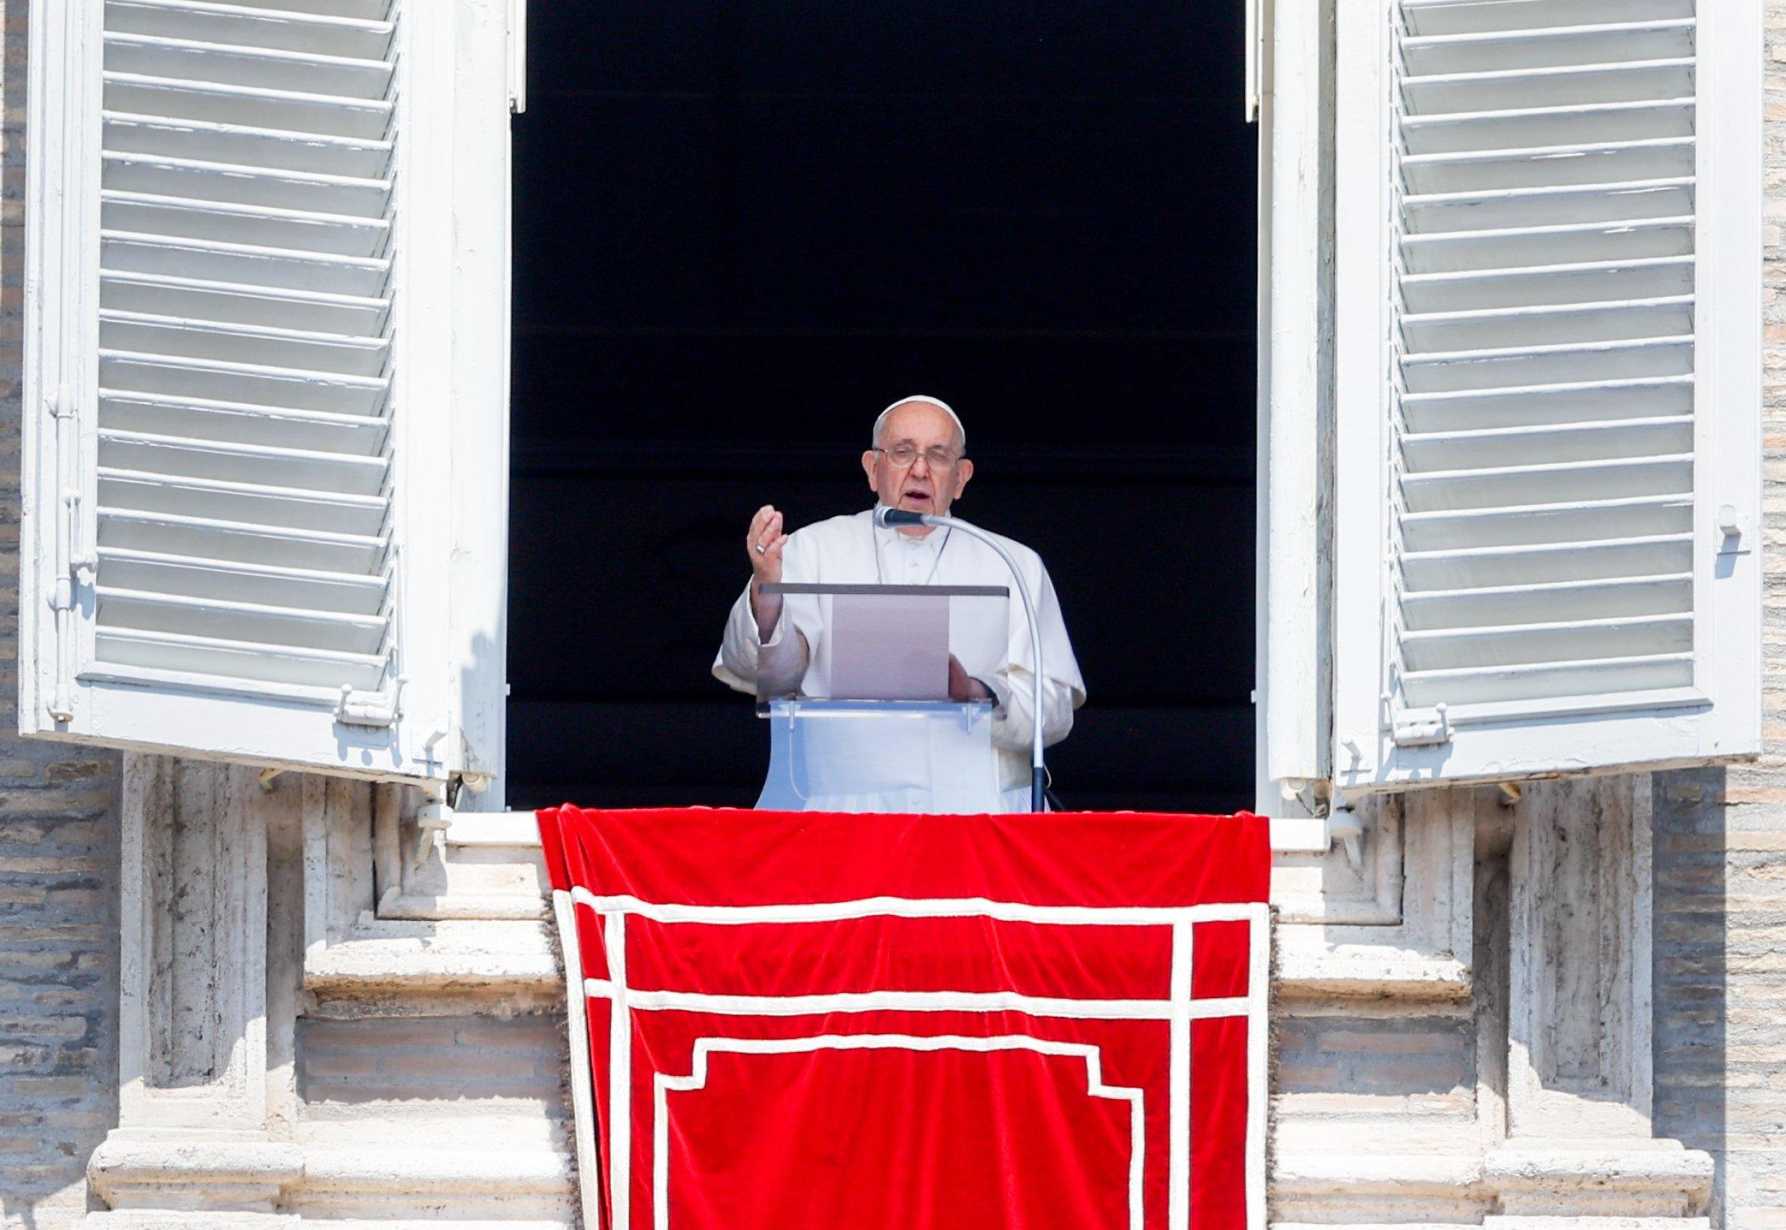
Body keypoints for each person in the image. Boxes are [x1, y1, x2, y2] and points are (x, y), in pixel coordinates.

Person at [714, 395, 1085, 811]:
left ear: (961, 478)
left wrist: (976, 694)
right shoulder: (812, 549)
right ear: (873, 469)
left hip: (978, 815)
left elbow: (1054, 711)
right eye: (903, 452)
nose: (920, 470)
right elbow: (763, 675)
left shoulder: (1012, 563)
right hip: (843, 814)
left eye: (938, 456)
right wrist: (766, 589)